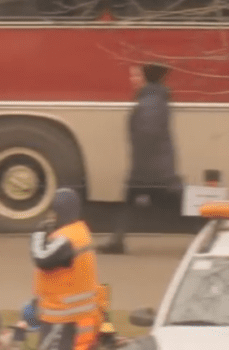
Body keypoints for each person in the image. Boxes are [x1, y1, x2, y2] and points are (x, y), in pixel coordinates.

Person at [99, 63, 181, 255]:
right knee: (135, 201)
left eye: (136, 76)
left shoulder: (149, 102)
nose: (133, 79)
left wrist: (143, 166)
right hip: (154, 165)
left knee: (177, 203)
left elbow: (148, 134)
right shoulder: (154, 99)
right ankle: (116, 240)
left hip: (150, 168)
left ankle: (208, 235)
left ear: (146, 78)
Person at [30, 188, 101, 350]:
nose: (51, 218)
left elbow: (40, 257)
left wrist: (38, 234)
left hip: (61, 318)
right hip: (79, 317)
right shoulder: (80, 232)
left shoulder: (66, 238)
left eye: (53, 213)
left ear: (60, 212)